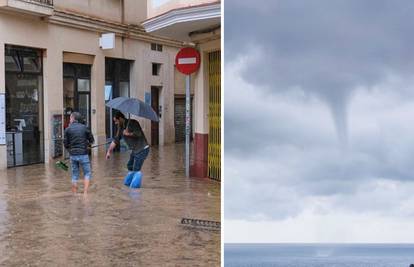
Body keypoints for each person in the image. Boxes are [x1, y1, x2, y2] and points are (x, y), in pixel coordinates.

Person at [64, 112, 95, 194]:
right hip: (83, 154)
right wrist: (87, 145)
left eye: (70, 118)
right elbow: (92, 140)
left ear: (73, 119)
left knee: (74, 175)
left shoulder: (67, 129)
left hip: (73, 155)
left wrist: (70, 150)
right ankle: (85, 194)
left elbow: (65, 144)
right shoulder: (85, 128)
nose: (69, 120)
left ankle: (74, 194)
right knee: (87, 173)